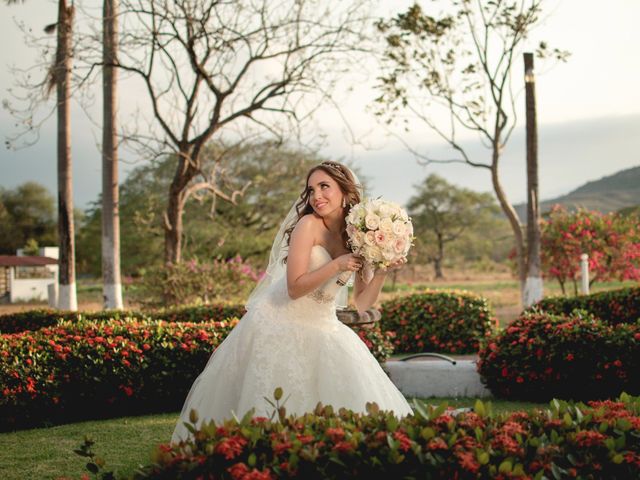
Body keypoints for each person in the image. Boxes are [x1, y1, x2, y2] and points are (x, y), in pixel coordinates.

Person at [171, 161, 413, 444]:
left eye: (325, 187)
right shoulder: (307, 226)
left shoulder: (358, 236)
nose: (316, 196)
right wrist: (336, 265)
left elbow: (361, 303)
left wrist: (382, 269)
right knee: (273, 408)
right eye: (311, 190)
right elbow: (294, 287)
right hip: (278, 321)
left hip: (323, 326)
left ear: (345, 192)